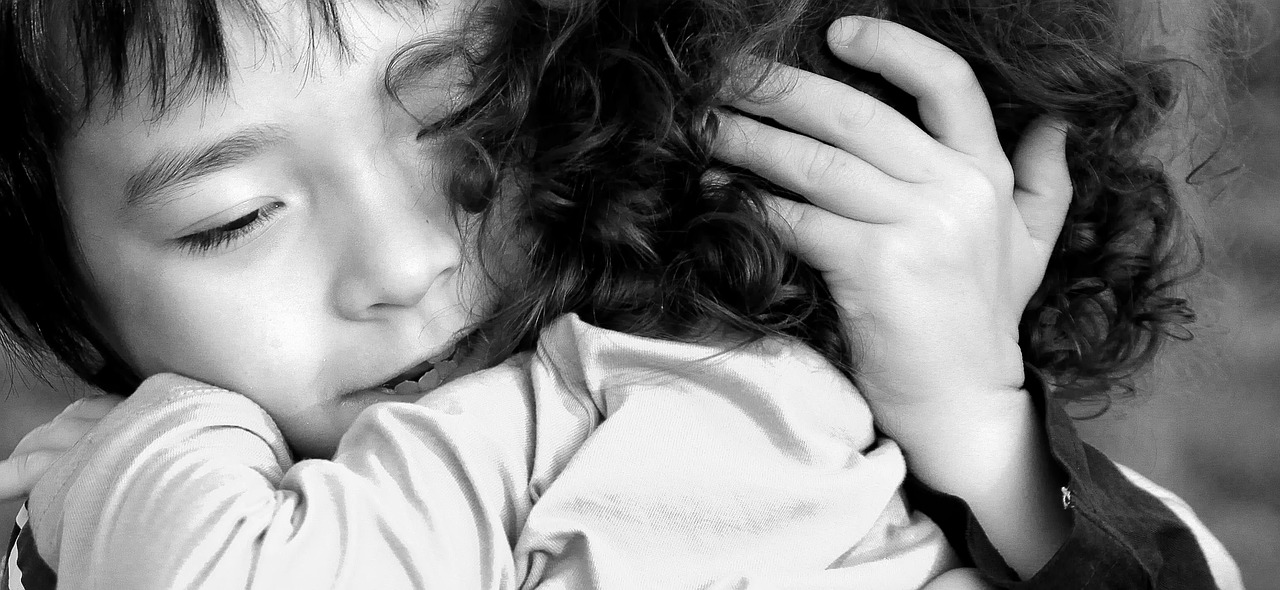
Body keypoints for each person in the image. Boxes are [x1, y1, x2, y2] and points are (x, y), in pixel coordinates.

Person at [0, 0, 1242, 588]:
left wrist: (972, 422)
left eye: (477, 135)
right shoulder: (73, 529)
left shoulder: (726, 392)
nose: (403, 263)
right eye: (232, 218)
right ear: (67, 288)